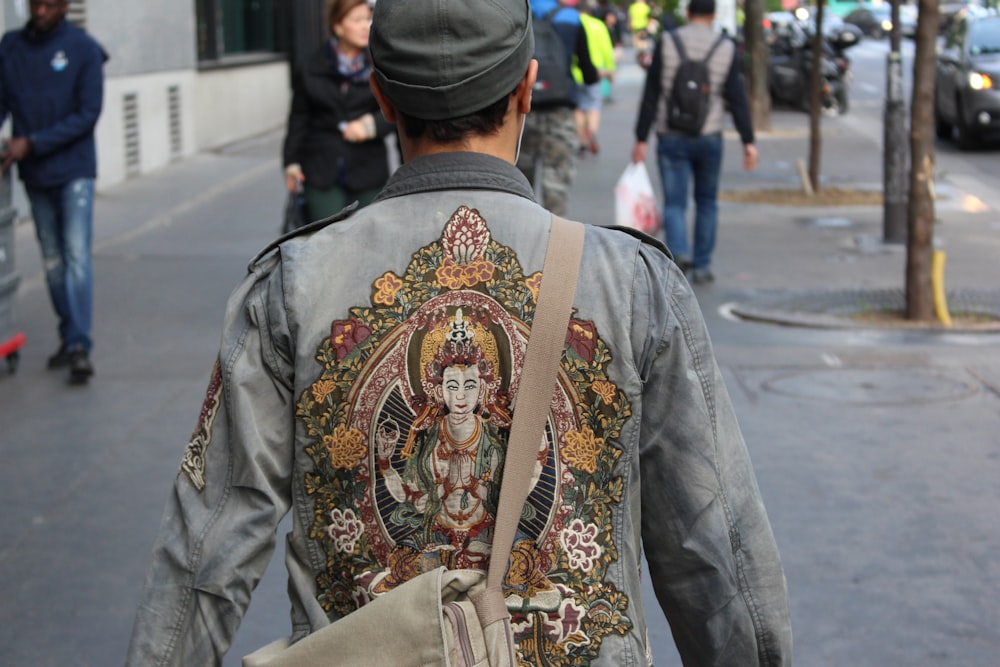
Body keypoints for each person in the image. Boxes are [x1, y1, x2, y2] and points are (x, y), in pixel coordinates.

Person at [125, 0, 791, 664]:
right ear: (528, 88)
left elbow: (201, 555)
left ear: (382, 99)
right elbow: (717, 552)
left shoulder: (290, 287)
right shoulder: (635, 285)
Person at [0, 0, 106, 383]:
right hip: (36, 173)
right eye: (35, 3)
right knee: (53, 261)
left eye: (49, 4)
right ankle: (69, 336)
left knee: (76, 255)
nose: (40, 10)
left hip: (75, 169)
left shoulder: (84, 48)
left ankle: (79, 346)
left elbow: (88, 113)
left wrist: (33, 142)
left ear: (64, 7)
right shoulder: (11, 47)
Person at [632, 0, 758, 284]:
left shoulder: (667, 42)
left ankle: (679, 258)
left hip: (670, 133)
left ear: (688, 13)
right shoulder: (726, 47)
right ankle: (702, 265)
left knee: (674, 203)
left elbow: (651, 93)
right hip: (709, 135)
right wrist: (748, 140)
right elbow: (736, 98)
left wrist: (641, 138)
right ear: (714, 15)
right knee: (707, 202)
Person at [282, 0, 392, 223]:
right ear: (338, 26)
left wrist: (370, 126)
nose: (366, 26)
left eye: (368, 19)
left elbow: (396, 113)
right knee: (325, 240)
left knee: (368, 242)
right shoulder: (312, 66)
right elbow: (299, 118)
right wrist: (291, 163)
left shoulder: (381, 66)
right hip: (321, 168)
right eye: (357, 20)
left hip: (368, 169)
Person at [517, 0, 598, 215]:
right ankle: (554, 240)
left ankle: (523, 236)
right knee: (556, 182)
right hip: (560, 111)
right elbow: (589, 73)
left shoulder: (515, 12)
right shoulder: (571, 18)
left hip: (523, 110)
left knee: (521, 182)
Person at [572, 10, 616, 154]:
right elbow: (607, 50)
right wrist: (610, 70)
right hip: (595, 73)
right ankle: (591, 130)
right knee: (593, 106)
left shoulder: (574, 23)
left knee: (578, 108)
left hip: (575, 73)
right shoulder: (598, 25)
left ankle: (582, 141)